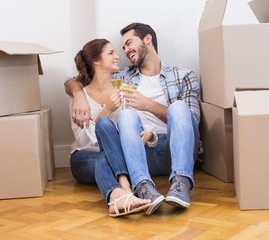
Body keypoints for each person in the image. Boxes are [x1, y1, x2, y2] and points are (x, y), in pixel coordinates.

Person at [65, 23, 201, 209]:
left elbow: (191, 121)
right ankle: (142, 185)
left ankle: (181, 182)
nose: (125, 51)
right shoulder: (123, 76)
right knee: (126, 116)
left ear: (147, 39)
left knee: (178, 107)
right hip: (142, 150)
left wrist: (148, 105)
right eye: (120, 48)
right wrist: (77, 94)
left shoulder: (184, 76)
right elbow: (78, 78)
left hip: (176, 148)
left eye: (129, 43)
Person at [68, 38, 164, 217]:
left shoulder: (123, 90)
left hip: (114, 158)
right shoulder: (80, 97)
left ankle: (117, 195)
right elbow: (84, 140)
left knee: (106, 157)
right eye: (111, 53)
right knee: (104, 127)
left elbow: (142, 121)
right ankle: (126, 184)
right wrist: (107, 110)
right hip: (84, 158)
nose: (118, 57)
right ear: (96, 61)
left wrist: (149, 133)